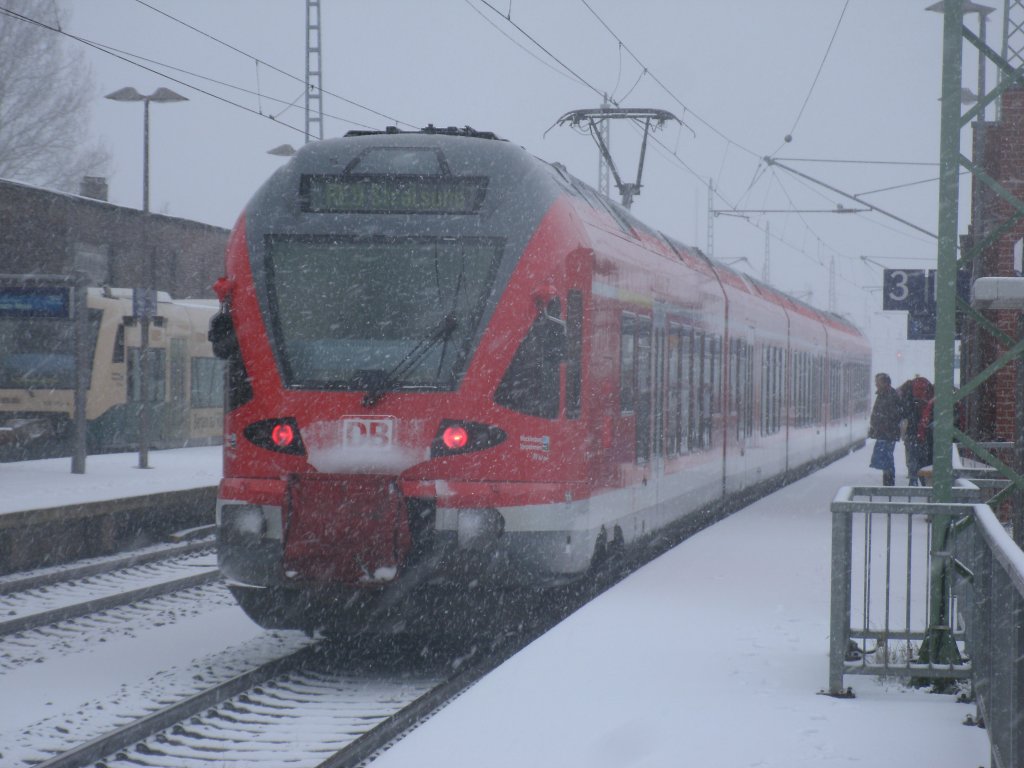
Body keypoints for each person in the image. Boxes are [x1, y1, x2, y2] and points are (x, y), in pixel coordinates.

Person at [898, 375, 933, 486]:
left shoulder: (908, 399)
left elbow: (903, 414)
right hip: (925, 434)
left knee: (912, 457)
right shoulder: (929, 400)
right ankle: (924, 480)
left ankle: (913, 479)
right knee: (924, 458)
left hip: (912, 433)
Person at [868, 372, 902, 486]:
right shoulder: (884, 394)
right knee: (885, 458)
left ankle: (888, 482)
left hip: (888, 433)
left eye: (878, 382)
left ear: (885, 383)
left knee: (887, 458)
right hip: (885, 432)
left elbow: (894, 415)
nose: (876, 384)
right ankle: (887, 481)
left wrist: (882, 424)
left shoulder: (890, 395)